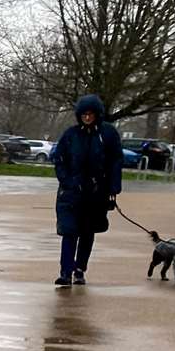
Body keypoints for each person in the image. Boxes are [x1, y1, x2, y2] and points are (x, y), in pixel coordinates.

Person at [50, 93, 123, 286]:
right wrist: (66, 181)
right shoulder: (71, 135)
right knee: (69, 231)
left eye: (91, 114)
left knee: (87, 232)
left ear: (97, 114)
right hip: (71, 193)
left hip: (96, 193)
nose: (87, 117)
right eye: (84, 114)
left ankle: (79, 269)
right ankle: (65, 271)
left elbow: (116, 161)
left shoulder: (108, 134)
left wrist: (113, 187)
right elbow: (59, 159)